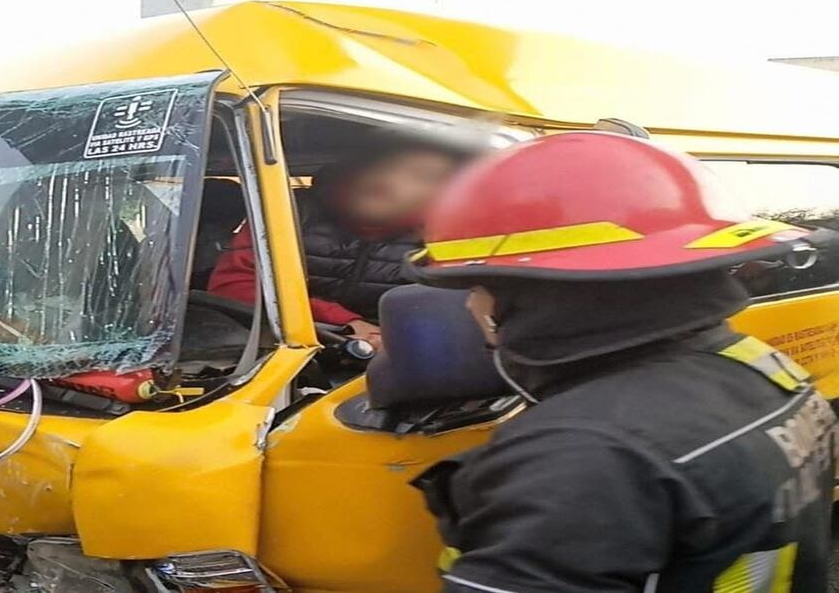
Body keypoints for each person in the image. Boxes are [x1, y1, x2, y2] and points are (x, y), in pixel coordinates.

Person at [405, 132, 837, 592]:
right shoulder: (756, 365)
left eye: (477, 288)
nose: (471, 306)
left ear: (533, 297)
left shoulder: (580, 453)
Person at [208, 137, 462, 349]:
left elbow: (452, 317)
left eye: (420, 176)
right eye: (381, 166)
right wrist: (342, 321)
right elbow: (232, 289)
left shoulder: (442, 237)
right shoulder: (289, 210)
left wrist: (387, 340)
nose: (389, 180)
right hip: (272, 353)